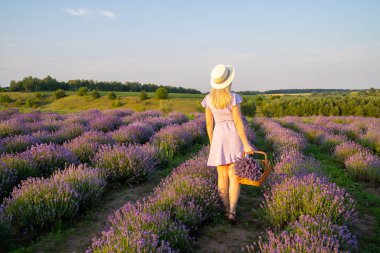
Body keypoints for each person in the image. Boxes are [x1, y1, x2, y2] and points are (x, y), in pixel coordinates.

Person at [201, 64, 254, 224]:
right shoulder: (233, 97)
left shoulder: (208, 99)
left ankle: (224, 210)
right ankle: (232, 211)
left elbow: (209, 125)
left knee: (222, 176)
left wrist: (213, 144)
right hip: (233, 137)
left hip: (219, 138)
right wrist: (246, 144)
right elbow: (238, 122)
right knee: (234, 177)